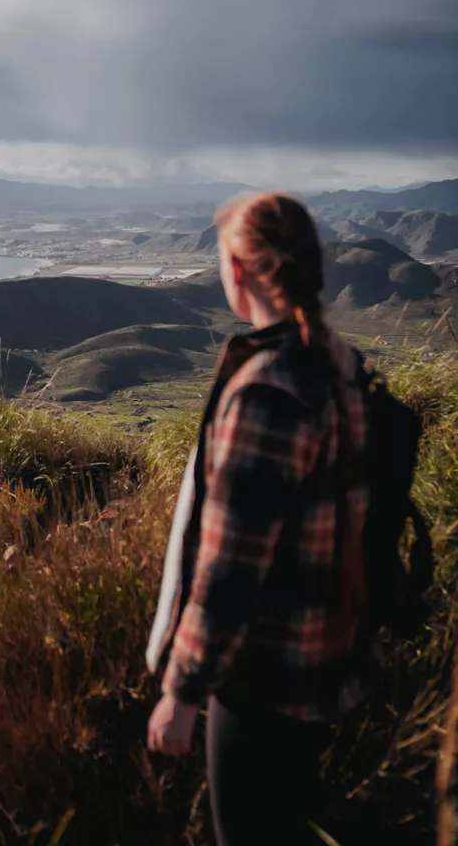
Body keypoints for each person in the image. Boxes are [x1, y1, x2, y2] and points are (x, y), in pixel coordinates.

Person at [146, 192, 371, 845]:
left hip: (260, 677)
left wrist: (183, 693)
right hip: (324, 657)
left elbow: (230, 568)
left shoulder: (268, 391)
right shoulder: (337, 364)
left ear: (239, 270)